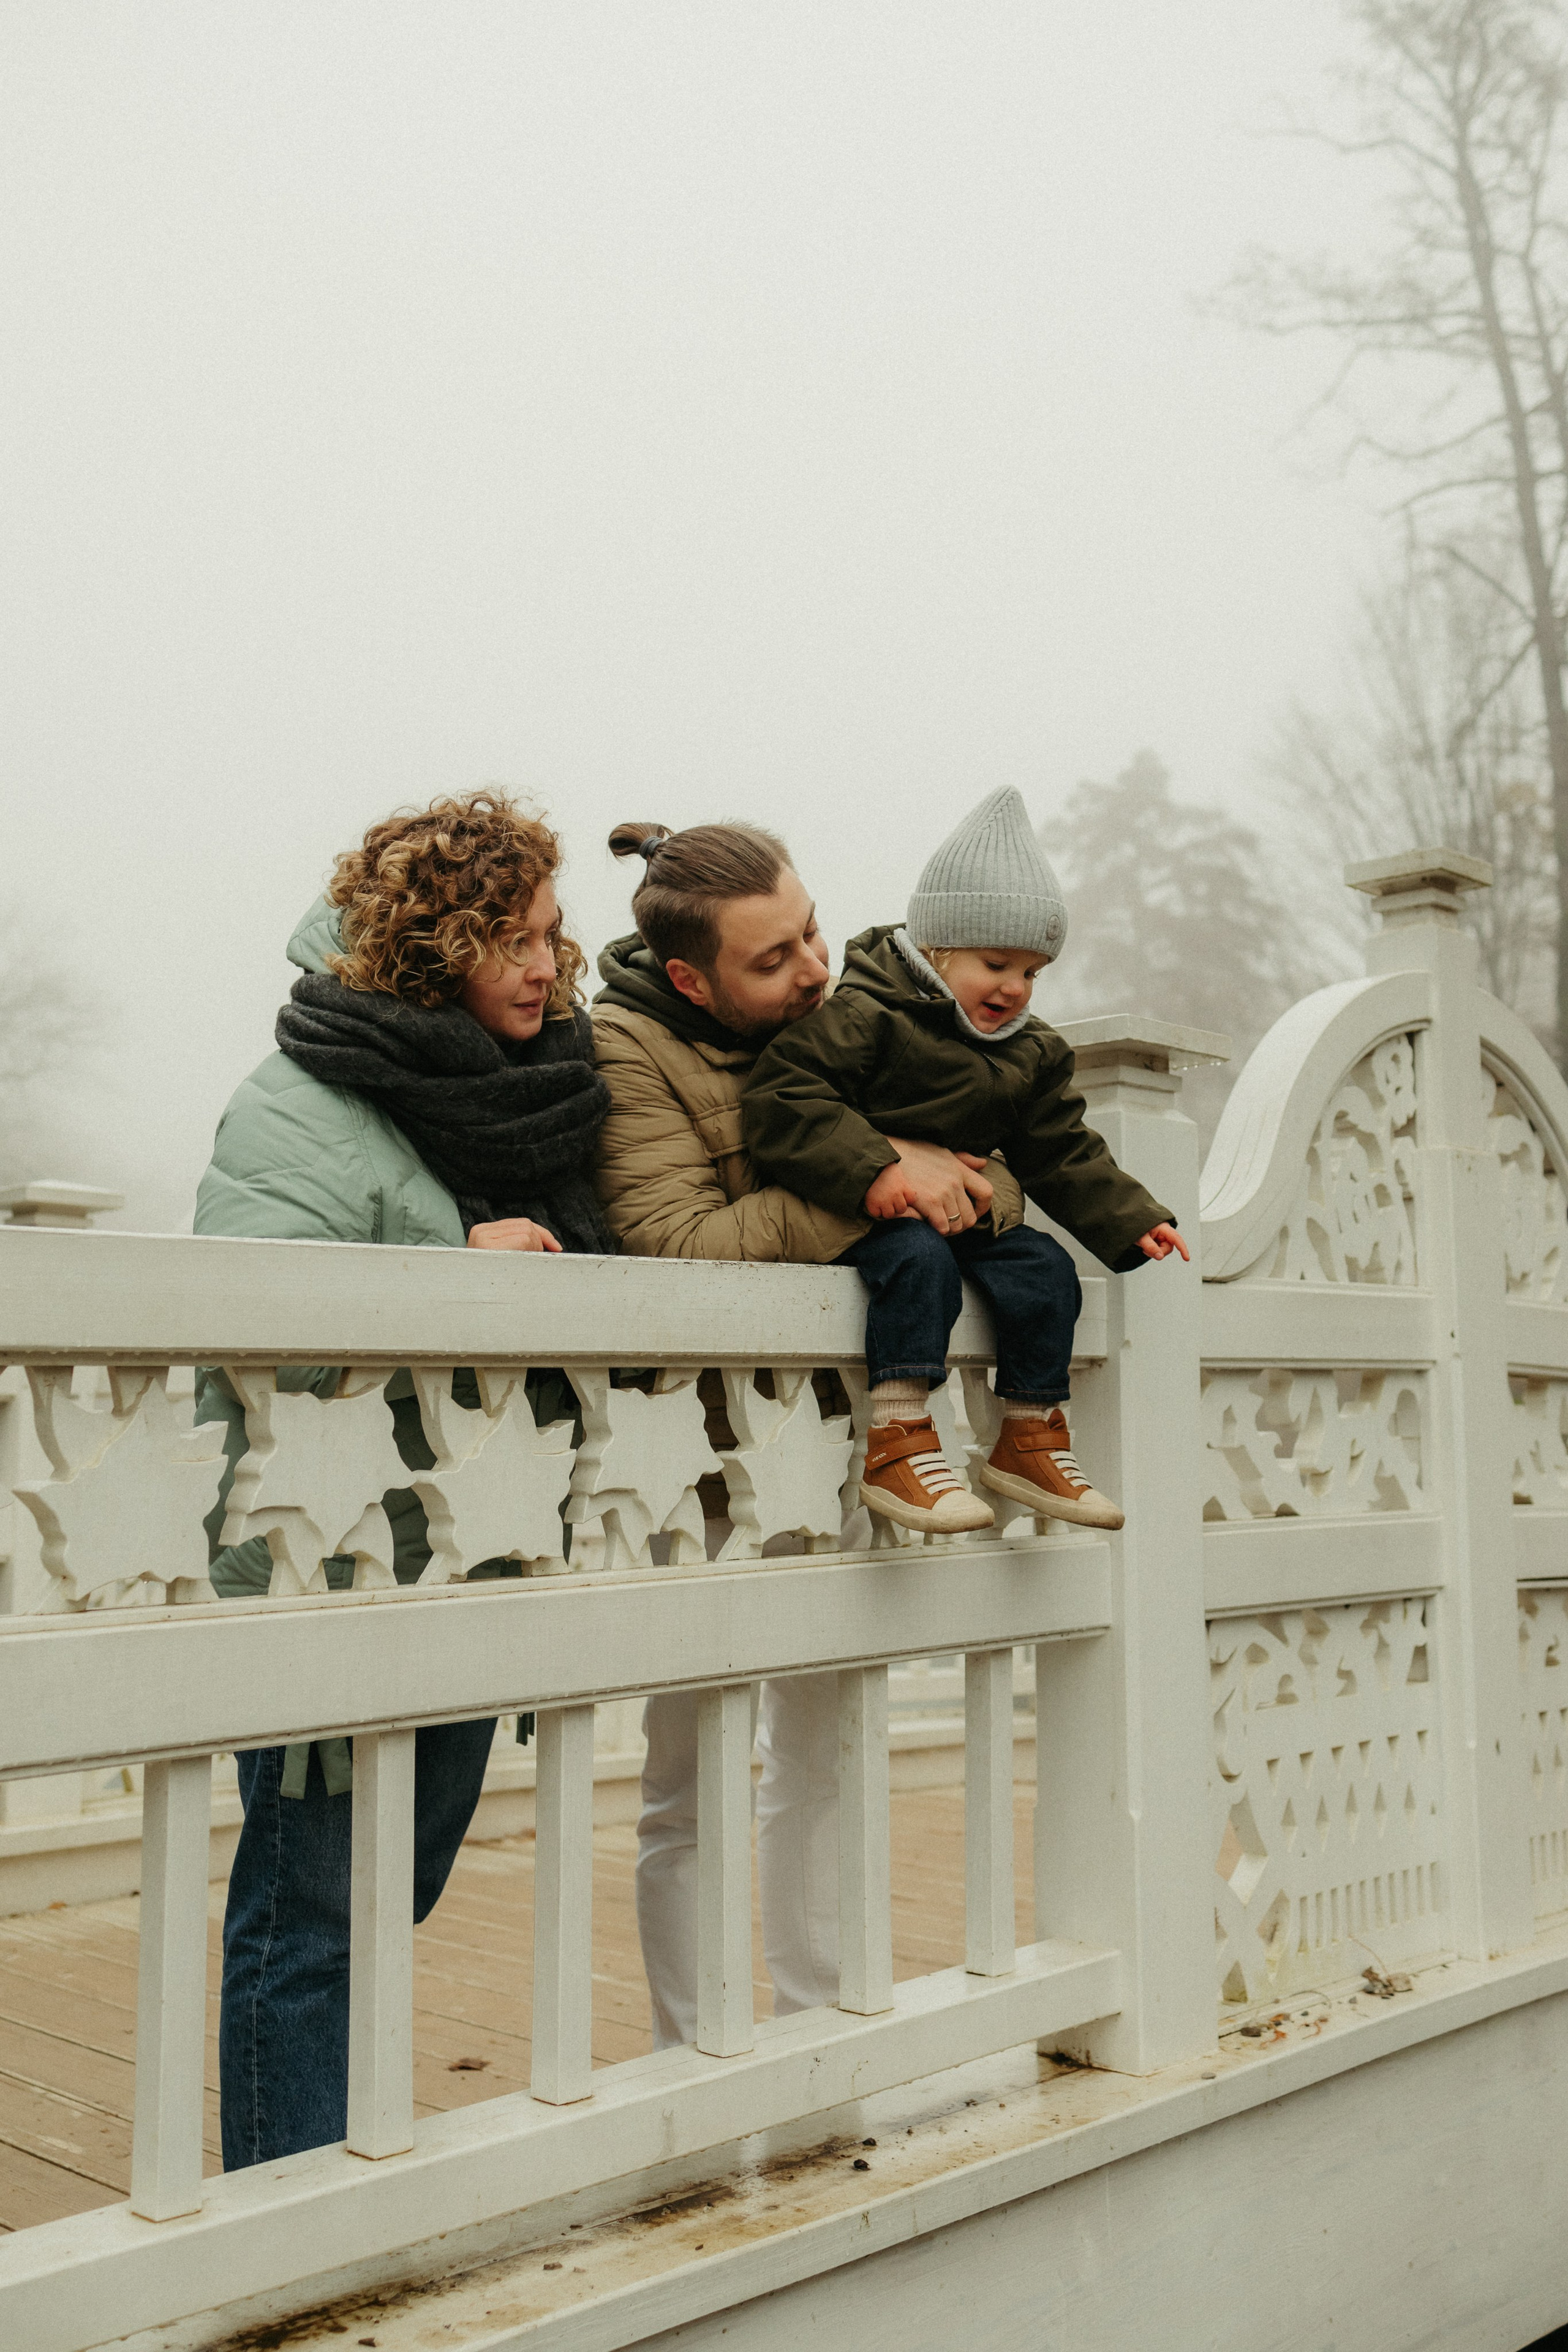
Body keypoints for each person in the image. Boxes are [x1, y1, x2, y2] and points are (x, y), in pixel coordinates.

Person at [194, 789, 614, 2169]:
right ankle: (295, 2217)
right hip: (328, 1557)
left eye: (551, 936)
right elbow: (257, 1329)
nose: (546, 968)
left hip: (472, 1545)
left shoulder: (526, 1093)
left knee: (389, 1896)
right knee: (309, 1916)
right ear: (437, 945)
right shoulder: (297, 1100)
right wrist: (456, 1266)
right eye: (513, 941)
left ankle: (348, 2166)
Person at [592, 818, 1025, 2046]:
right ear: (692, 980)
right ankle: (697, 2054)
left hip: (840, 1445)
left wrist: (944, 1176)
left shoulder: (861, 1008)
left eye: (813, 934)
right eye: (773, 959)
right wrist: (876, 1177)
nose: (814, 971)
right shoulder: (625, 1048)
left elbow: (999, 1165)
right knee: (686, 1775)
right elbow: (674, 1244)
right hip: (698, 1460)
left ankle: (817, 2033)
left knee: (821, 1756)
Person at [741, 784, 1188, 1536]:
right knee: (919, 1267)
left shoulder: (1029, 1051)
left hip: (966, 1215)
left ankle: (1029, 1436)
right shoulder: (866, 1015)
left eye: (1033, 972)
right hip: (870, 1211)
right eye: (996, 963)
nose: (1015, 988)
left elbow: (1059, 1146)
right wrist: (876, 1166)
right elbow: (782, 1099)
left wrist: (1130, 1216)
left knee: (1046, 1270)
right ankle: (899, 1440)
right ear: (938, 950)